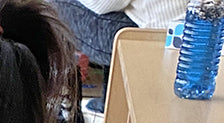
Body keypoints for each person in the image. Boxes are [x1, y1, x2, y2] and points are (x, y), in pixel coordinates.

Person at [50, 0, 187, 112]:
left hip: (155, 40)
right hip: (193, 37)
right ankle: (111, 100)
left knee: (53, 4)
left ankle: (66, 110)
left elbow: (102, 4)